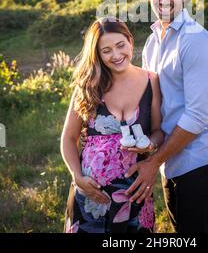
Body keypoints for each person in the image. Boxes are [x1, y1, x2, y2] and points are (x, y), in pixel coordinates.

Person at [124, 0, 208, 234]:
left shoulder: (196, 41)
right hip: (171, 161)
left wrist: (153, 162)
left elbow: (197, 117)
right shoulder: (152, 43)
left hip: (200, 159)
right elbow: (153, 102)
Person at [60, 17, 164, 233]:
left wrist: (149, 147)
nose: (116, 55)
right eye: (106, 50)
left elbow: (158, 132)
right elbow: (68, 138)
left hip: (134, 193)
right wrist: (78, 178)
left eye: (120, 46)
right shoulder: (88, 86)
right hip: (89, 196)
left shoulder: (151, 80)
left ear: (130, 41)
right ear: (97, 54)